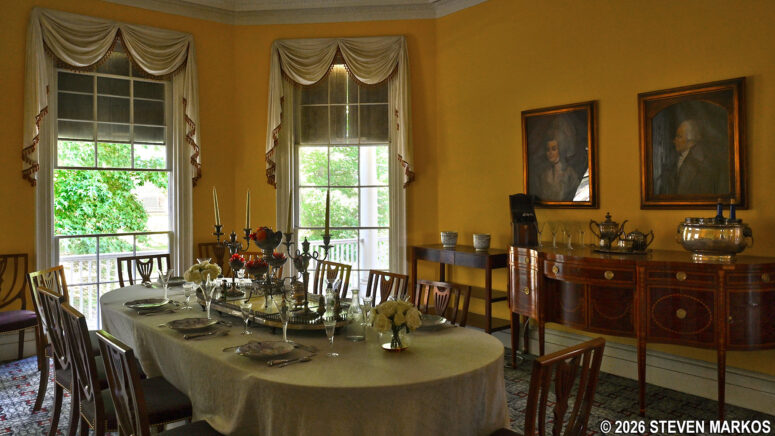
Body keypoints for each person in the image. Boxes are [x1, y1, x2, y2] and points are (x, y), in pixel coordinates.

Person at [660, 119, 729, 195]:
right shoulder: (673, 160)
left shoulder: (704, 165)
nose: (674, 140)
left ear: (691, 141)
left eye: (679, 137)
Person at [533, 135, 580, 201]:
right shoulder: (543, 174)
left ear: (560, 150)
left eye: (554, 149)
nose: (550, 153)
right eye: (548, 150)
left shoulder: (569, 172)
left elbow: (577, 193)